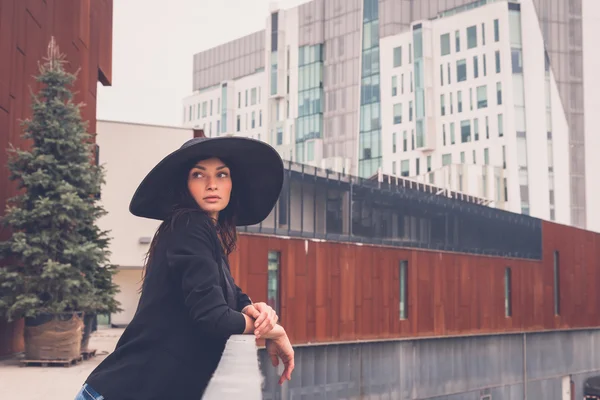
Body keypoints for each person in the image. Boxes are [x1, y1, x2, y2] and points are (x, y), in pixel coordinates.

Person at [75, 136, 295, 400]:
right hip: (123, 390)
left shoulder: (205, 233)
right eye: (198, 175)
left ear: (232, 185)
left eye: (222, 175)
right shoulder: (189, 225)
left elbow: (227, 291)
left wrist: (251, 307)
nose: (212, 184)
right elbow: (213, 317)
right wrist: (273, 330)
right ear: (185, 184)